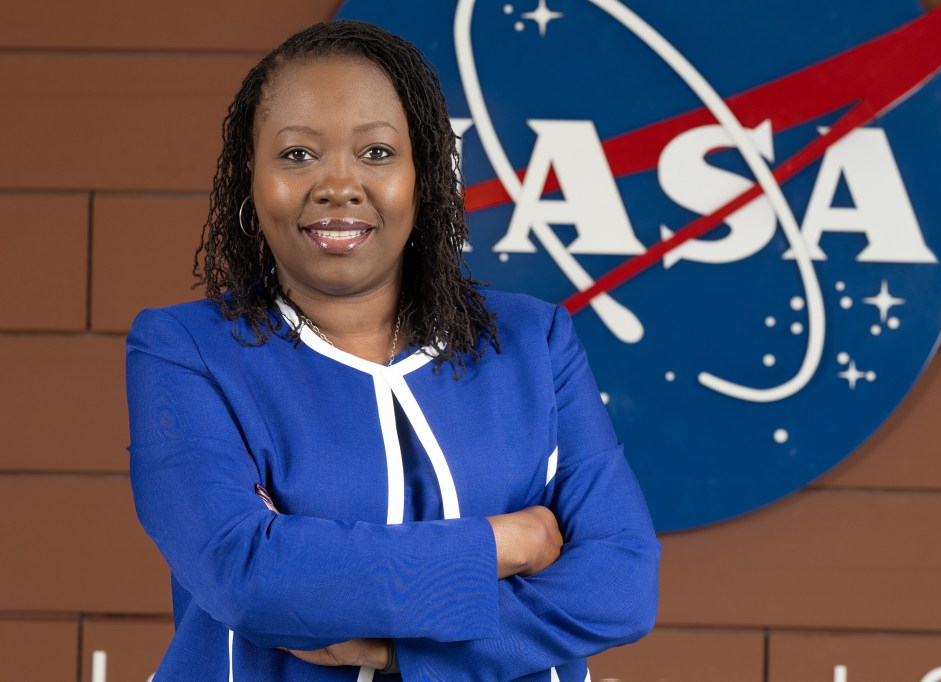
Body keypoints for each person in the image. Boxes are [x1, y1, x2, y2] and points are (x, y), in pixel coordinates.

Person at [126, 19, 659, 681]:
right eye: (297, 155)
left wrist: (397, 646)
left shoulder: (533, 342)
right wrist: (502, 542)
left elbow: (621, 584)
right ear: (248, 176)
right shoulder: (186, 351)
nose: (338, 185)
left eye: (376, 153)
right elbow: (249, 577)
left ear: (425, 174)